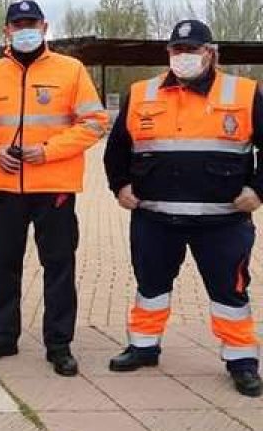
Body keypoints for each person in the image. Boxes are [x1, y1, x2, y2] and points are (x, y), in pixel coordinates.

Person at [103, 20, 262, 397]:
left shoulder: (244, 92)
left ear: (211, 53)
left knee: (229, 293)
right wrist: (120, 186)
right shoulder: (141, 93)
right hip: (155, 218)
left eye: (192, 49)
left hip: (222, 221)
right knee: (150, 287)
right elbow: (117, 149)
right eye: (178, 50)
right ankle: (144, 347)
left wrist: (259, 191)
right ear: (169, 54)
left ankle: (241, 361)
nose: (184, 56)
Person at [0, 0, 108, 376]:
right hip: (5, 188)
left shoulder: (71, 70)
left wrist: (47, 151)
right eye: (18, 25)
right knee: (3, 266)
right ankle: (3, 336)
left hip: (54, 188)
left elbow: (94, 123)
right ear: (6, 30)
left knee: (59, 267)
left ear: (45, 27)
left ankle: (59, 344)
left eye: (32, 24)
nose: (25, 30)